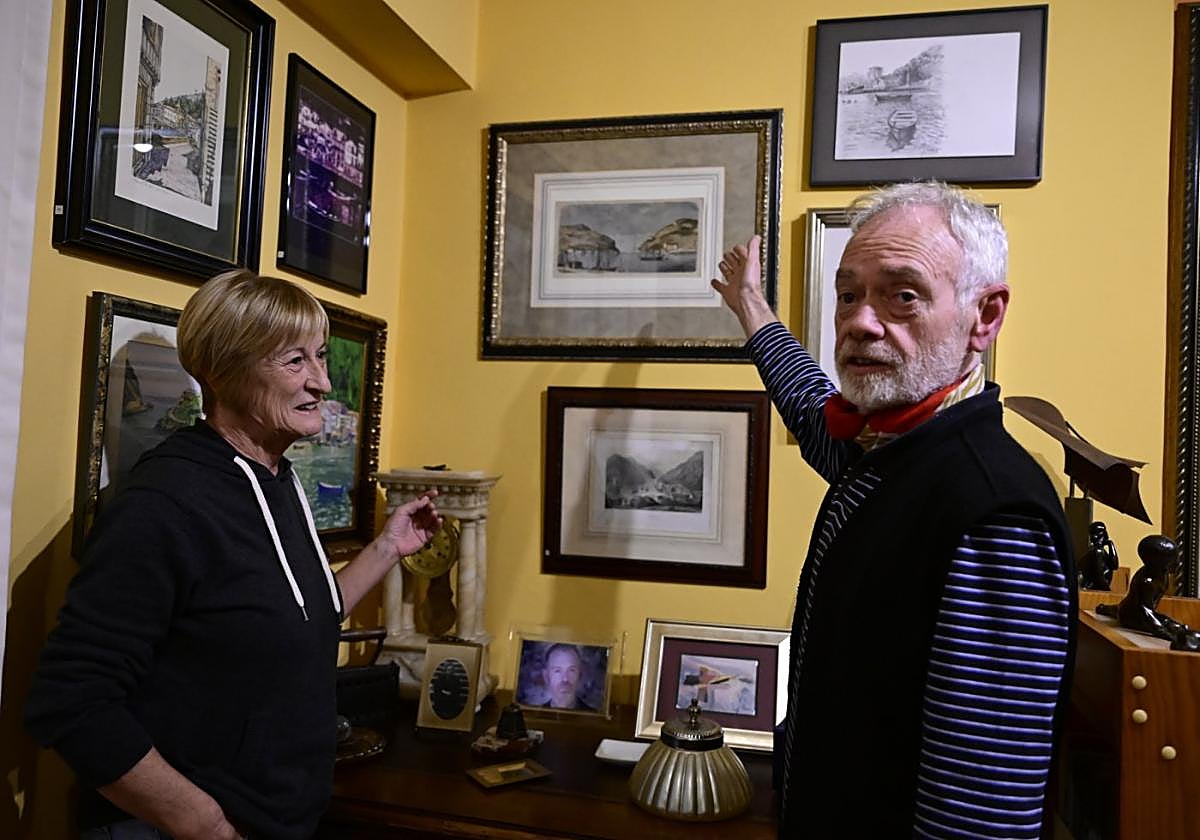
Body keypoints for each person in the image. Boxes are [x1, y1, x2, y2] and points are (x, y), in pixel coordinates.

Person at [711, 181, 1076, 838]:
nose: (858, 321)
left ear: (984, 316)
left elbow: (978, 815)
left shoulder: (992, 513)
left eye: (902, 295)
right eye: (848, 294)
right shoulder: (886, 450)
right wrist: (752, 307)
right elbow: (809, 403)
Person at [26, 271, 444, 840]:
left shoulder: (277, 475)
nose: (322, 381)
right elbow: (71, 701)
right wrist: (205, 824)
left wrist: (387, 548)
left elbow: (298, 615)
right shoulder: (165, 502)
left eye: (320, 356)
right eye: (294, 362)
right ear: (225, 372)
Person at [540, 644, 595, 711]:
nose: (565, 679)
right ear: (546, 676)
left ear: (579, 675)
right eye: (557, 671)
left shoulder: (594, 717)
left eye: (571, 670)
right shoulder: (533, 716)